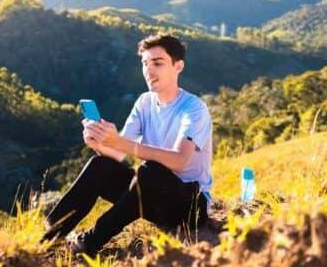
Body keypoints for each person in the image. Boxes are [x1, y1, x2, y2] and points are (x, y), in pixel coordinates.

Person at [41, 33, 213, 256]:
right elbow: (117, 154)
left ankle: (89, 241)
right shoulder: (145, 102)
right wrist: (100, 141)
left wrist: (121, 143)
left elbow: (179, 161)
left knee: (150, 171)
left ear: (178, 66)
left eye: (158, 63)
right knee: (99, 165)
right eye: (145, 63)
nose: (149, 70)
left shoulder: (194, 108)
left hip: (190, 208)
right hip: (153, 198)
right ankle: (50, 238)